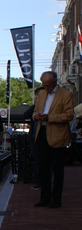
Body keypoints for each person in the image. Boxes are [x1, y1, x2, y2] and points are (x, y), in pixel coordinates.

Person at [33, 71, 74, 208]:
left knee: (57, 169)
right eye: (44, 85)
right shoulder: (41, 94)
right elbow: (34, 112)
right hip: (42, 134)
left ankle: (56, 200)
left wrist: (50, 117)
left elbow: (69, 115)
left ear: (55, 82)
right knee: (43, 168)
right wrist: (36, 116)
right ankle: (44, 198)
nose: (46, 88)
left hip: (58, 136)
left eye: (48, 85)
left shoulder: (66, 94)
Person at [23, 86, 45, 189]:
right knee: (37, 160)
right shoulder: (35, 107)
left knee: (44, 161)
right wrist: (34, 106)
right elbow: (25, 115)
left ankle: (43, 182)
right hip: (34, 137)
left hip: (44, 137)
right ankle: (40, 181)